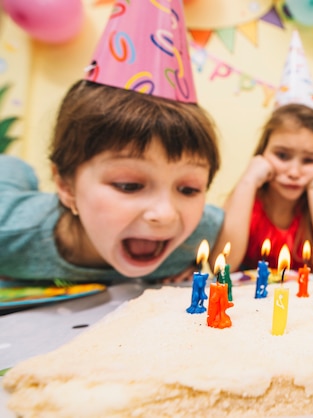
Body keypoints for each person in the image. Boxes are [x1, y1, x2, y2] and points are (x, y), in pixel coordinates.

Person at [0, 0, 223, 283]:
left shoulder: (198, 232)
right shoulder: (9, 232)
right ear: (65, 186)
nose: (165, 215)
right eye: (129, 186)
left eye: (189, 189)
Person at [215, 103, 313, 277]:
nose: (294, 172)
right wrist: (248, 181)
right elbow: (221, 265)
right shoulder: (247, 201)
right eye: (282, 156)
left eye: (309, 160)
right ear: (263, 153)